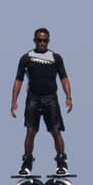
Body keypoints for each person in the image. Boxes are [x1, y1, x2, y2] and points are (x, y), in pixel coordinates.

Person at [10, 27, 72, 176]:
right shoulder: (26, 58)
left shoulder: (56, 58)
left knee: (55, 130)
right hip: (33, 99)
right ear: (34, 40)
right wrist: (14, 101)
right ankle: (27, 162)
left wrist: (68, 97)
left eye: (45, 40)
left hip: (50, 98)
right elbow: (18, 80)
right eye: (39, 40)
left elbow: (64, 78)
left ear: (48, 41)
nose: (42, 43)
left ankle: (61, 161)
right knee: (31, 131)